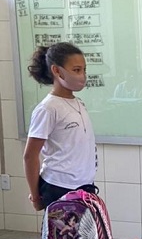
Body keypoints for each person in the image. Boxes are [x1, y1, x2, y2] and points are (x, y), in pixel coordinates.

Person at [23, 42, 98, 211]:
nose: (82, 76)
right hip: (59, 187)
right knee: (62, 230)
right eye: (76, 70)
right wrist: (35, 196)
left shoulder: (79, 103)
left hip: (84, 186)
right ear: (57, 71)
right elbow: (30, 156)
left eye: (84, 70)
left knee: (87, 229)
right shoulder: (48, 108)